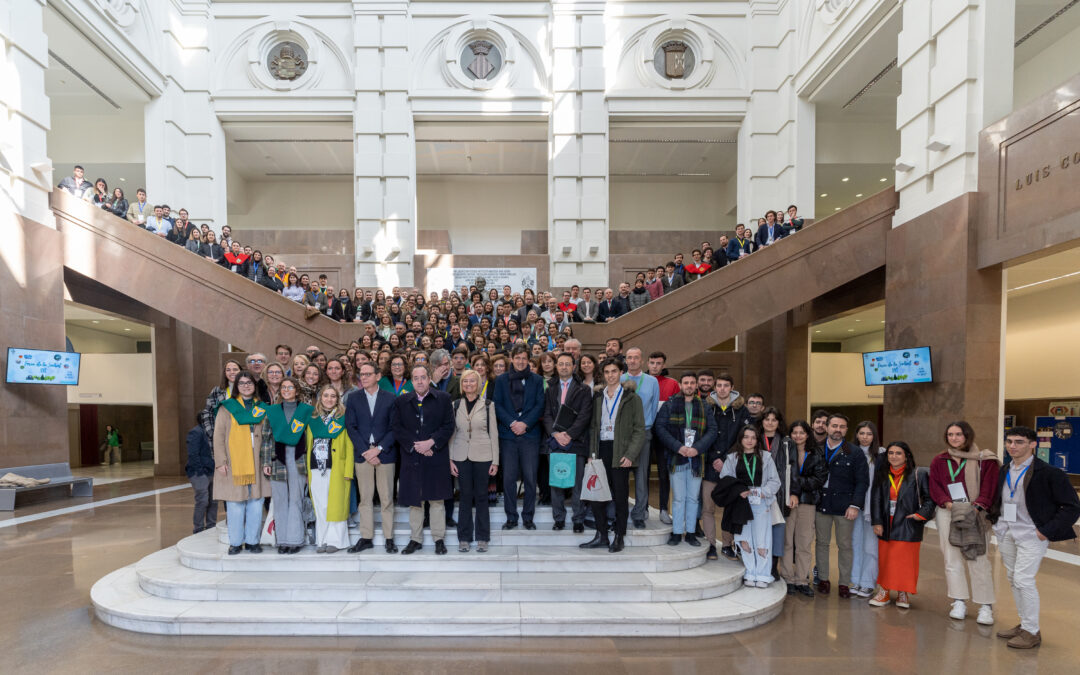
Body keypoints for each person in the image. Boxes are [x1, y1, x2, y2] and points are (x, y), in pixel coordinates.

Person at [990, 426, 1080, 649]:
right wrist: (996, 522)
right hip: (1007, 531)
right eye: (1009, 441)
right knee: (1013, 579)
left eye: (1019, 442)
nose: (1012, 446)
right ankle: (1025, 624)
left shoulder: (1050, 473)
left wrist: (1046, 531)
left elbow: (1071, 507)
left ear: (1032, 444)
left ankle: (1031, 632)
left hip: (1032, 534)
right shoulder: (1004, 470)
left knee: (1023, 579)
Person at [928, 420, 1000, 624]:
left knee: (978, 558)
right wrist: (948, 504)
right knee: (952, 559)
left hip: (976, 513)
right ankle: (959, 601)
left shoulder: (985, 459)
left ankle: (985, 606)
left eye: (958, 434)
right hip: (948, 512)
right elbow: (935, 487)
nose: (954, 438)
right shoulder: (940, 460)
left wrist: (977, 507)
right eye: (950, 435)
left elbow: (989, 487)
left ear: (967, 436)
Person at [580, 357, 645, 553]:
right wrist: (591, 453)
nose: (610, 375)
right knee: (597, 495)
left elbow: (639, 430)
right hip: (601, 450)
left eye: (614, 371)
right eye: (606, 372)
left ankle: (619, 535)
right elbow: (592, 427)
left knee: (619, 496)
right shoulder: (598, 397)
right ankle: (601, 535)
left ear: (620, 373)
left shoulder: (632, 398)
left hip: (621, 452)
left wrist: (630, 455)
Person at [392, 364, 455, 555]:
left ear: (429, 379)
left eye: (423, 377)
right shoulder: (401, 401)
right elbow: (397, 427)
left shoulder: (443, 398)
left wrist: (432, 443)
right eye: (416, 378)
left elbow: (448, 425)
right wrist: (417, 445)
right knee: (415, 500)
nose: (419, 381)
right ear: (412, 381)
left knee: (436, 500)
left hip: (436, 456)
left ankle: (438, 539)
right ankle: (415, 539)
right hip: (412, 457)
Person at [868, 441, 934, 609]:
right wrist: (876, 521)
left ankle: (903, 593)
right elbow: (875, 498)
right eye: (891, 453)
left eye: (898, 453)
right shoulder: (882, 473)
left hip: (908, 523)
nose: (894, 456)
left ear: (906, 456)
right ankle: (884, 592)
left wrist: (920, 516)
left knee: (905, 561)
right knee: (886, 560)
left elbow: (929, 498)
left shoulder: (918, 474)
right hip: (886, 523)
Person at [655, 372, 717, 546]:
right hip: (677, 458)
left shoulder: (705, 406)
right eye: (685, 383)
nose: (689, 385)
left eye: (692, 383)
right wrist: (679, 447)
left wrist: (697, 449)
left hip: (697, 459)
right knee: (678, 498)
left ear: (696, 385)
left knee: (693, 498)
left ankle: (690, 532)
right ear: (680, 385)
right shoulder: (670, 404)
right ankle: (676, 532)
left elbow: (712, 430)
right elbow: (660, 428)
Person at [213, 371, 270, 555]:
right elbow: (218, 436)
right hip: (233, 461)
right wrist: (220, 461)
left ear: (255, 386)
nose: (246, 386)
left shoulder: (262, 407)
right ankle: (236, 542)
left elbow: (268, 436)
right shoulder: (227, 408)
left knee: (256, 501)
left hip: (257, 459)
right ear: (236, 386)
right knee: (235, 503)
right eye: (242, 383)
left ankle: (253, 541)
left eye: (250, 383)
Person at [344, 362, 398, 554]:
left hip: (386, 454)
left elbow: (395, 428)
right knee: (365, 499)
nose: (364, 377)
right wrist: (366, 451)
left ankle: (389, 538)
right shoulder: (353, 398)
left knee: (386, 498)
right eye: (361, 375)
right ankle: (366, 537)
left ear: (378, 376)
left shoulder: (391, 398)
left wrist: (379, 449)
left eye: (368, 374)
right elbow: (350, 426)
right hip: (363, 455)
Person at [815, 414, 868, 598]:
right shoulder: (817, 449)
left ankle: (844, 583)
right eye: (834, 425)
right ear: (827, 427)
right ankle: (823, 579)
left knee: (845, 545)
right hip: (820, 503)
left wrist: (855, 505)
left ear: (846, 430)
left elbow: (862, 482)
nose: (838, 429)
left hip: (845, 506)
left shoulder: (855, 452)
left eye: (842, 426)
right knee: (821, 543)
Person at [720, 425, 780, 587]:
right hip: (741, 503)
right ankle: (750, 572)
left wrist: (763, 492)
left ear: (757, 440)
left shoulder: (766, 457)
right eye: (746, 437)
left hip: (761, 502)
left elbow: (775, 481)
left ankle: (762, 574)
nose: (749, 440)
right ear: (741, 439)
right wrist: (739, 491)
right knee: (744, 539)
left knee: (762, 540)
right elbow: (725, 479)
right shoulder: (732, 458)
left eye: (753, 437)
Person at [493, 345, 545, 530]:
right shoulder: (501, 380)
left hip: (530, 435)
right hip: (508, 435)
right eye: (518, 358)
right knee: (508, 479)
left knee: (530, 478)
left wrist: (525, 424)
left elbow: (540, 405)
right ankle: (511, 517)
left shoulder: (537, 380)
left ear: (528, 359)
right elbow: (497, 405)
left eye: (524, 358)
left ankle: (528, 517)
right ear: (512, 359)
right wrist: (512, 423)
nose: (521, 361)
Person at [543, 352, 594, 533]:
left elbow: (584, 416)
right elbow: (547, 414)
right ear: (556, 367)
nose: (564, 367)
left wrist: (569, 434)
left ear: (574, 366)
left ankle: (578, 519)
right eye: (561, 364)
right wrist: (556, 434)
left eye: (567, 364)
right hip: (555, 441)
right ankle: (559, 519)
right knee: (556, 481)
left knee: (577, 483)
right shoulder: (550, 388)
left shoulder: (584, 389)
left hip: (576, 441)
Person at [450, 370, 500, 552]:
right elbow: (451, 434)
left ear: (478, 384)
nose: (469, 384)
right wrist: (450, 459)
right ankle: (464, 537)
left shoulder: (488, 405)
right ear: (462, 384)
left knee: (481, 497)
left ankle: (482, 537)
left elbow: (494, 434)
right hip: (461, 455)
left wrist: (495, 461)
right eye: (465, 381)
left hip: (483, 455)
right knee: (464, 497)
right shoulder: (455, 404)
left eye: (472, 381)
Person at [704, 373, 752, 561]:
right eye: (719, 385)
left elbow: (745, 438)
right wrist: (714, 458)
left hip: (731, 466)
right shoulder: (706, 406)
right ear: (715, 387)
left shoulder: (742, 410)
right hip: (710, 465)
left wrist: (725, 460)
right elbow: (701, 436)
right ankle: (709, 544)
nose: (722, 389)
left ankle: (727, 544)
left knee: (730, 507)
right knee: (708, 507)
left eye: (726, 385)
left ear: (732, 387)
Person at [262, 378, 313, 554]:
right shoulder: (272, 411)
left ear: (296, 390)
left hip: (299, 460)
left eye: (290, 387)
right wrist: (266, 462)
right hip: (278, 460)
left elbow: (310, 438)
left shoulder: (306, 411)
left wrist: (310, 466)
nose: (286, 390)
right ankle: (282, 540)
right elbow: (266, 438)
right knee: (281, 500)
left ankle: (295, 540)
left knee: (296, 500)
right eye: (283, 387)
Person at [304, 386, 354, 553]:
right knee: (320, 505)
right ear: (320, 398)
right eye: (326, 395)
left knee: (337, 504)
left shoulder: (343, 418)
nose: (329, 399)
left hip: (336, 467)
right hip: (315, 467)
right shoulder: (312, 418)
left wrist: (348, 471)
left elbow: (349, 446)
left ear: (338, 399)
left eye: (333, 396)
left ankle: (337, 541)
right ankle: (322, 540)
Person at [779, 421, 826, 596]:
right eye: (794, 432)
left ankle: (802, 580)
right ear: (790, 434)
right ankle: (788, 578)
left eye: (802, 432)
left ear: (808, 434)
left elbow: (818, 480)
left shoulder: (816, 453)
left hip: (807, 502)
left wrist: (796, 483)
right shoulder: (784, 451)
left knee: (804, 542)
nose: (798, 436)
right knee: (787, 541)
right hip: (786, 502)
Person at [621, 347, 659, 529]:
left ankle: (639, 513)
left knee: (641, 474)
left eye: (636, 357)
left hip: (643, 433)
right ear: (626, 360)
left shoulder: (652, 382)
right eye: (629, 358)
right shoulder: (619, 379)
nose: (633, 361)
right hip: (622, 434)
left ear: (642, 361)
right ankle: (618, 510)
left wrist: (648, 427)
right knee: (620, 473)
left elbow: (653, 409)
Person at [850, 421, 885, 598]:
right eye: (862, 433)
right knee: (855, 544)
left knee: (871, 546)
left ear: (874, 436)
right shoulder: (849, 452)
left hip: (873, 506)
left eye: (869, 434)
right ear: (856, 435)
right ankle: (855, 580)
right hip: (854, 505)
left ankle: (868, 582)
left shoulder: (882, 454)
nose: (865, 437)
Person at [649, 352, 680, 525]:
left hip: (665, 435)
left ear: (664, 364)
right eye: (652, 362)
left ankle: (663, 508)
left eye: (658, 363)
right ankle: (642, 508)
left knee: (663, 473)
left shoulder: (673, 384)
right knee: (642, 472)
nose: (655, 366)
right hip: (645, 432)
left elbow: (677, 410)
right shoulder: (643, 381)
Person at [185, 414, 217, 534]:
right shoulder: (195, 432)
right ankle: (198, 528)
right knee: (202, 500)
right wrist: (200, 472)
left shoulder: (212, 432)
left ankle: (211, 526)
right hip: (199, 472)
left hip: (212, 471)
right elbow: (193, 454)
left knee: (213, 500)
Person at [199, 359, 242, 443]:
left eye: (235, 369)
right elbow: (207, 412)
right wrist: (212, 433)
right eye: (228, 370)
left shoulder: (247, 389)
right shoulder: (217, 391)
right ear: (225, 373)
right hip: (222, 434)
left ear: (241, 371)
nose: (232, 372)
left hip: (242, 433)